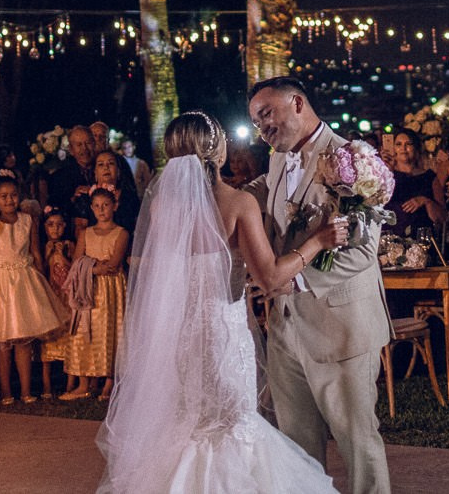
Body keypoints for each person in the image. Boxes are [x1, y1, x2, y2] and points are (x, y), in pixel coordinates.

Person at [93, 109, 346, 494]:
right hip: (219, 338)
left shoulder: (163, 206)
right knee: (231, 428)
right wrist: (317, 242)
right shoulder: (237, 203)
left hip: (179, 338)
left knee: (190, 429)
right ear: (216, 151)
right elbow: (272, 278)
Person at [246, 75, 392, 494]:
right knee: (296, 446)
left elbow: (363, 253)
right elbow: (265, 196)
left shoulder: (353, 160)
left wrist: (295, 282)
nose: (262, 128)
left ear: (296, 103)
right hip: (285, 328)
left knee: (358, 443)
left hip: (340, 325)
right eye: (256, 122)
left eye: (266, 115)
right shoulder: (278, 158)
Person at [0, 175, 63, 405]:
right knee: (3, 343)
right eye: (3, 196)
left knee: (24, 341)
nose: (9, 200)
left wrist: (43, 283)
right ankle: (6, 392)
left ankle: (25, 390)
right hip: (0, 285)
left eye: (13, 195)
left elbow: (34, 252)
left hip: (25, 282)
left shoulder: (28, 220)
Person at [64, 188, 130, 400]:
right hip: (88, 288)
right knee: (84, 330)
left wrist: (97, 267)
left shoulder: (121, 233)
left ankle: (109, 381)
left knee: (110, 330)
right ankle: (83, 382)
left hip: (110, 290)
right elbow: (76, 261)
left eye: (106, 205)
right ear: (91, 208)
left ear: (115, 206)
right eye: (97, 206)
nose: (102, 210)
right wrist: (92, 269)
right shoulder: (86, 233)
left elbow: (113, 264)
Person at [37, 209, 78, 400]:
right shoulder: (42, 247)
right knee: (48, 341)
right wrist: (47, 255)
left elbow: (74, 270)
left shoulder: (70, 245)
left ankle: (69, 384)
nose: (56, 228)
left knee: (70, 338)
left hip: (67, 298)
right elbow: (41, 271)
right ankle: (46, 385)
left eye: (60, 224)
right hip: (50, 297)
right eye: (51, 224)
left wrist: (65, 254)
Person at [385, 133, 445, 236]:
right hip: (394, 238)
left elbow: (442, 217)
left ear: (415, 148)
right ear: (393, 148)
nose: (403, 148)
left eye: (408, 144)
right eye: (399, 144)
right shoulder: (387, 176)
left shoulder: (429, 177)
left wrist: (425, 201)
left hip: (423, 237)